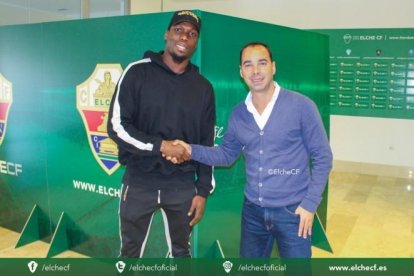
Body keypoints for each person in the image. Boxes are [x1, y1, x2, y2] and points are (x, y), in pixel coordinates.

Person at [168, 42, 333, 258]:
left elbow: (323, 157)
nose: (255, 71)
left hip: (293, 212)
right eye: (248, 65)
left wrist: (310, 204)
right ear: (241, 72)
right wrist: (190, 149)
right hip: (253, 213)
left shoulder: (302, 106)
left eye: (262, 63)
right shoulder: (239, 114)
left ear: (273, 67)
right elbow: (226, 155)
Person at [107, 10, 216, 258]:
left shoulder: (203, 88)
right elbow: (117, 126)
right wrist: (161, 146)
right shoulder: (136, 72)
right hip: (139, 182)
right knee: (129, 252)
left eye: (192, 34)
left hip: (182, 186)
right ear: (166, 34)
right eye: (178, 30)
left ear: (196, 42)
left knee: (181, 252)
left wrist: (202, 191)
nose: (184, 37)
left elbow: (206, 144)